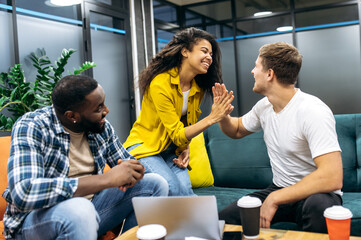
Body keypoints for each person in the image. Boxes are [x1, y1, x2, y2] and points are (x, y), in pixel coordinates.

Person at [2, 75, 169, 240]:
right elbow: (24, 193)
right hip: (37, 222)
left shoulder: (100, 126)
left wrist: (134, 171)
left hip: (90, 211)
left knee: (154, 184)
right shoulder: (32, 126)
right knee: (80, 210)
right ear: (72, 116)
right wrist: (106, 180)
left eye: (103, 103)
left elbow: (125, 162)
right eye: (98, 108)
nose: (106, 111)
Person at [216, 42, 343, 233]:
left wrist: (275, 198)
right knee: (226, 218)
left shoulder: (313, 111)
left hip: (317, 194)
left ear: (269, 74)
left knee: (318, 208)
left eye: (256, 66)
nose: (252, 71)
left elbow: (332, 177)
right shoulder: (264, 106)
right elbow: (236, 130)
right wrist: (222, 114)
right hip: (279, 187)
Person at [123, 27, 234, 196]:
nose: (209, 57)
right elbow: (176, 133)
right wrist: (212, 118)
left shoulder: (197, 87)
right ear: (185, 52)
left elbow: (183, 127)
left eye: (211, 54)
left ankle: (203, 223)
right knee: (172, 188)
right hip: (144, 148)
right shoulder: (160, 83)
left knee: (186, 193)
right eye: (204, 51)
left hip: (169, 150)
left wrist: (185, 149)